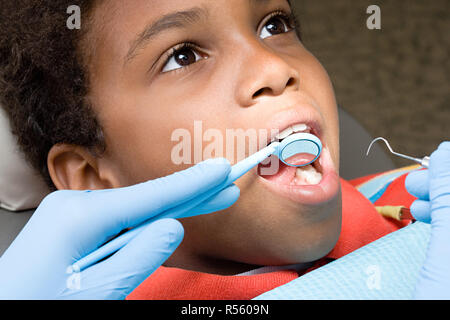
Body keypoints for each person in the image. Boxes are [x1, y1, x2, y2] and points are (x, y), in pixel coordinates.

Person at [0, 0, 447, 299]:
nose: (275, 67)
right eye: (184, 56)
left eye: (275, 24)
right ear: (92, 178)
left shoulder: (417, 201)